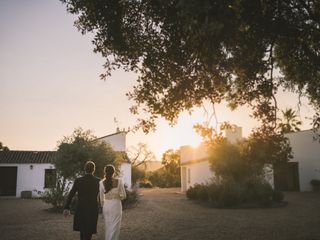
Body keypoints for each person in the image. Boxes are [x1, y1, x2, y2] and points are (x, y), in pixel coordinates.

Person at [63, 161, 100, 240]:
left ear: (84, 169)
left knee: (83, 231)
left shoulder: (78, 180)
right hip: (93, 209)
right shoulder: (98, 181)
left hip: (81, 208)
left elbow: (71, 194)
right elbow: (103, 195)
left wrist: (66, 207)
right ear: (94, 169)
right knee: (89, 231)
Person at [99, 164, 126, 240]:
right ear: (113, 172)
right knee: (115, 226)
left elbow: (101, 199)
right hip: (116, 205)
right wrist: (117, 197)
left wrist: (103, 207)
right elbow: (124, 195)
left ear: (105, 172)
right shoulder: (119, 181)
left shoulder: (101, 183)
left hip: (106, 206)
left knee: (108, 226)